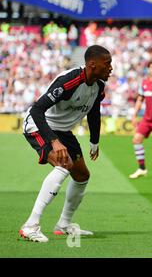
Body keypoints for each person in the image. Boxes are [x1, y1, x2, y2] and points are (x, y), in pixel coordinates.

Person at [20, 45, 112, 242]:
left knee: (82, 175)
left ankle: (63, 224)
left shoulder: (99, 86)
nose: (111, 68)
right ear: (91, 64)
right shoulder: (69, 81)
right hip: (39, 124)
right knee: (64, 165)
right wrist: (54, 141)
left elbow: (94, 113)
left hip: (62, 130)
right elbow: (37, 110)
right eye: (107, 64)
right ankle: (30, 225)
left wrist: (94, 141)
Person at [129, 60, 152, 180]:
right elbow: (140, 99)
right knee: (136, 140)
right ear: (149, 69)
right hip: (146, 118)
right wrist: (134, 115)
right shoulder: (144, 83)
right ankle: (142, 169)